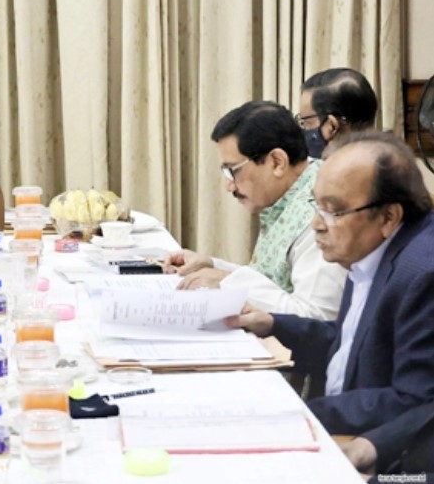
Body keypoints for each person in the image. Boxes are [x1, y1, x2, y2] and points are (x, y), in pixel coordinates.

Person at [228, 131, 434, 436]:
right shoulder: (369, 250)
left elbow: (414, 402)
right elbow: (351, 345)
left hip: (371, 447)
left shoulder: (423, 274)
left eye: (333, 211)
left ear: (388, 216)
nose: (317, 225)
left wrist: (303, 413)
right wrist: (271, 323)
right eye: (317, 206)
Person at [165, 102, 346, 320]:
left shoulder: (318, 213)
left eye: (233, 171)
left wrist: (226, 281)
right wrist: (212, 266)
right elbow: (272, 282)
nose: (229, 186)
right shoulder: (290, 193)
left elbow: (313, 318)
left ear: (277, 162)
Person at [297, 68, 378, 159]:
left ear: (332, 126)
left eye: (305, 122)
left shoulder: (322, 167)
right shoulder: (388, 158)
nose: (303, 129)